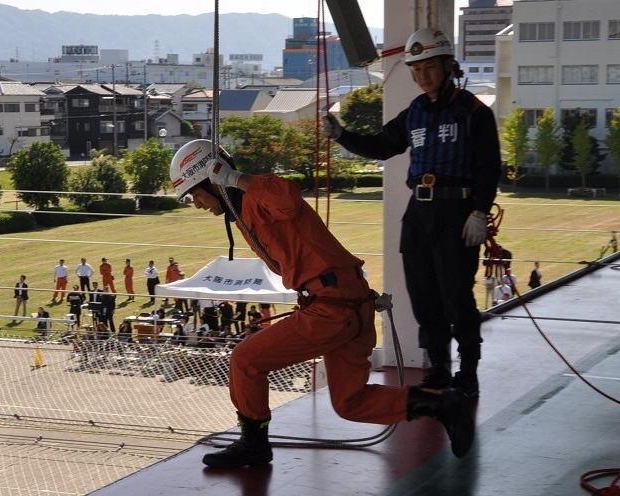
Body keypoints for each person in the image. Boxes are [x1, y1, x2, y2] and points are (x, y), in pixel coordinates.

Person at [170, 138, 474, 469]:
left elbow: (287, 195)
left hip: (333, 308)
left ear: (211, 180)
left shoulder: (257, 197)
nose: (196, 203)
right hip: (345, 302)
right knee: (349, 402)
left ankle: (253, 444)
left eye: (193, 194)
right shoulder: (245, 213)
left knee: (245, 359)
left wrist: (234, 178)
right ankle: (442, 405)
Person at [320, 28, 501, 398]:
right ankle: (437, 369)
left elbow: (489, 167)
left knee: (457, 298)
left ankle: (468, 372)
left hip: (457, 212)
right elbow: (381, 146)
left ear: (449, 66)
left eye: (430, 67)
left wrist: (480, 212)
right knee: (424, 297)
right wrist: (341, 134)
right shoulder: (414, 112)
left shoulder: (474, 111)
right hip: (418, 214)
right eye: (416, 69)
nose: (423, 76)